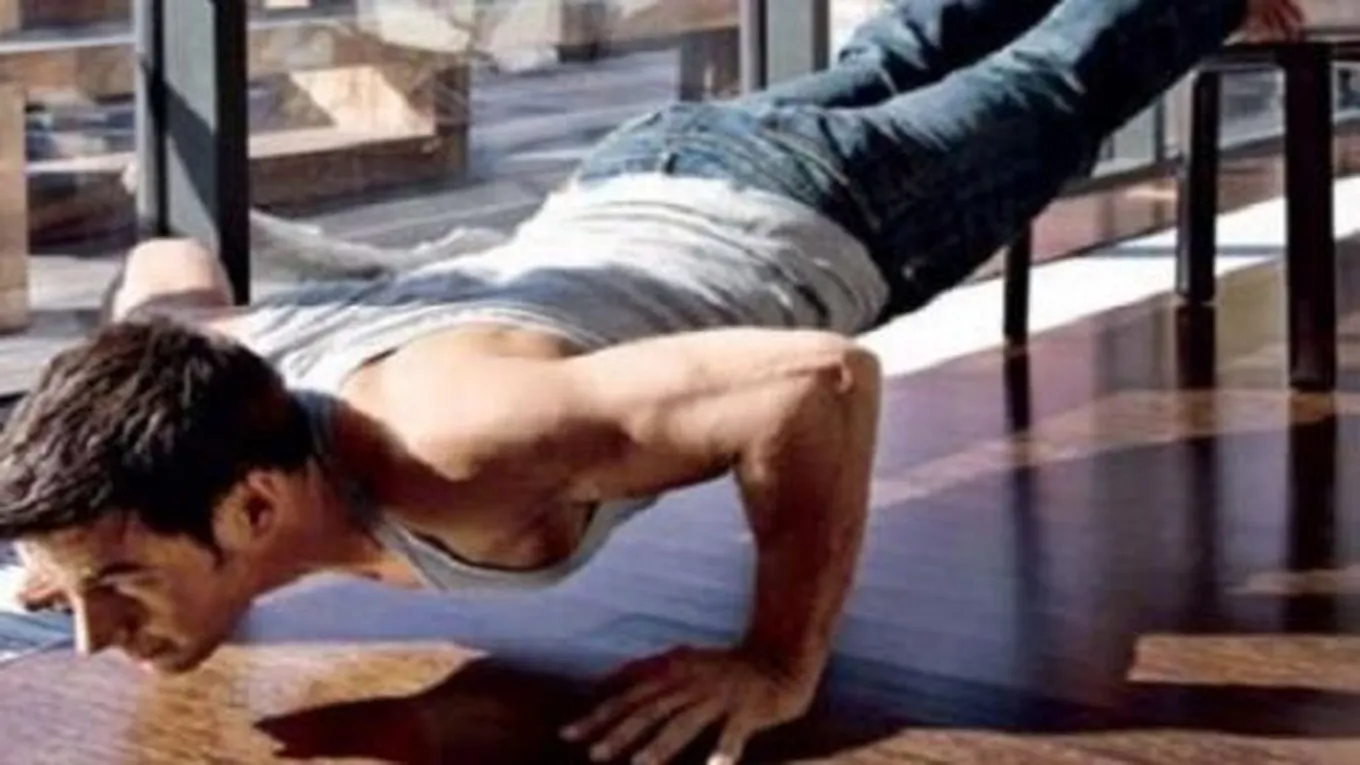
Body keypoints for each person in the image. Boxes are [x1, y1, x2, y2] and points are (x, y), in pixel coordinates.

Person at [0, 0, 1304, 763]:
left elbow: (816, 382)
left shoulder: (456, 446)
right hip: (649, 168)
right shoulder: (211, 378)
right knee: (922, 37)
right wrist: (78, 533)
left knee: (1063, 68)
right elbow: (166, 265)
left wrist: (776, 662)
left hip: (834, 210)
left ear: (253, 507)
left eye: (119, 585)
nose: (93, 632)